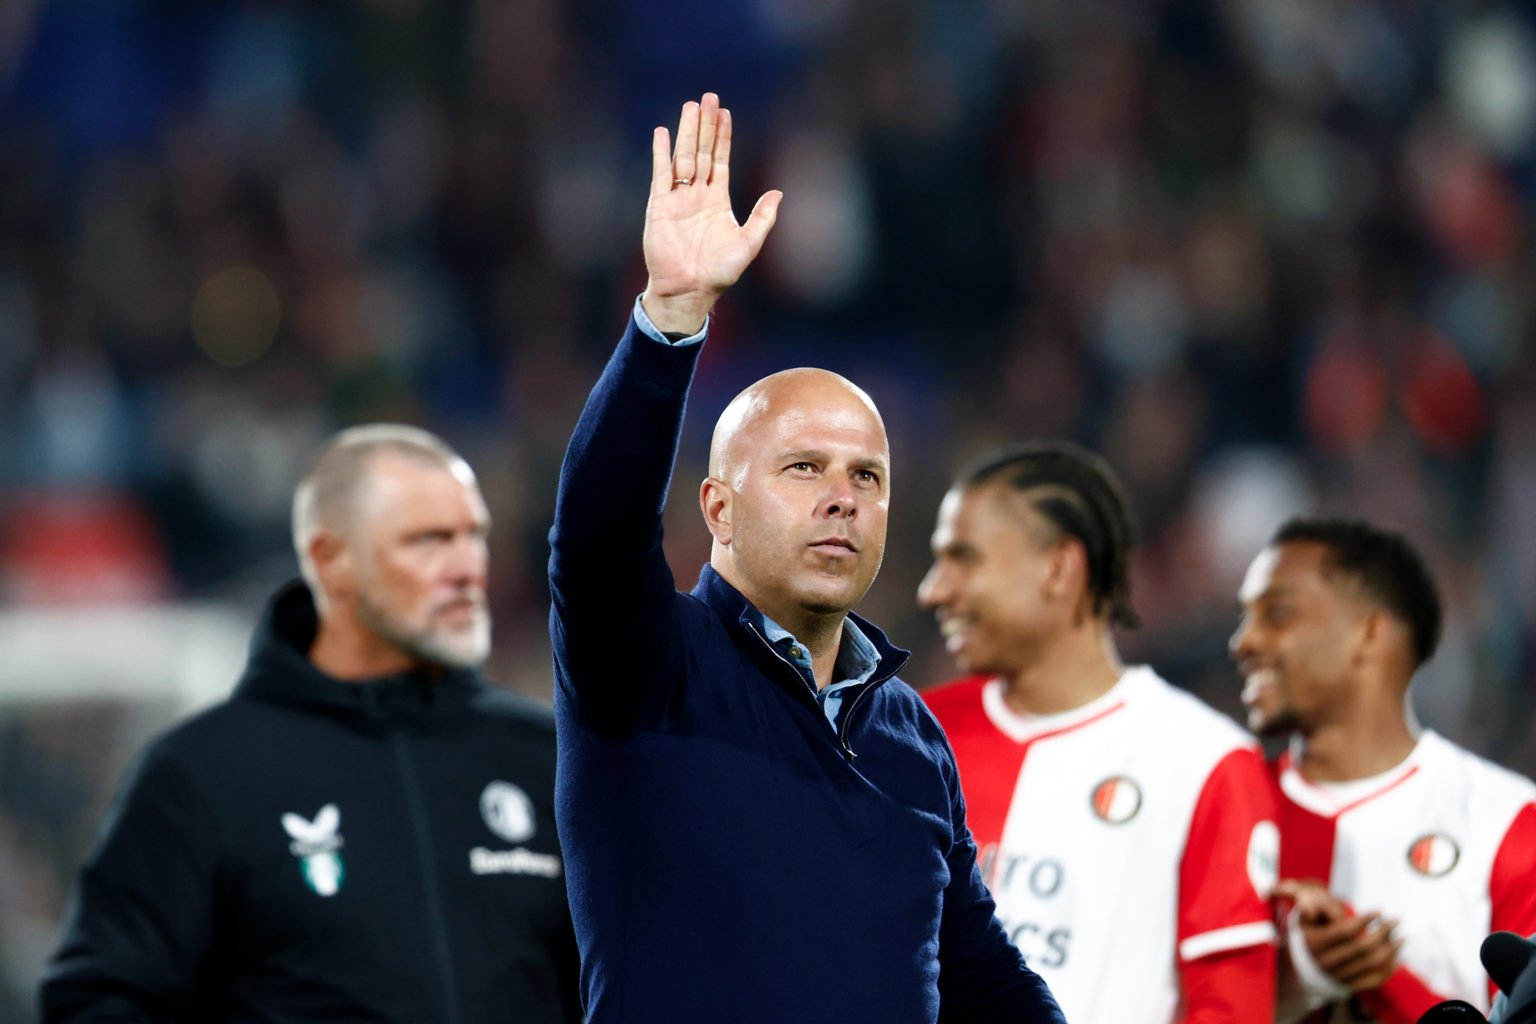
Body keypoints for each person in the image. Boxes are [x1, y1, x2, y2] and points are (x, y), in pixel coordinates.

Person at [548, 92, 1065, 1023]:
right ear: (718, 509)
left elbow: (981, 979)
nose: (843, 495)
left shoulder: (910, 736)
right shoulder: (648, 668)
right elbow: (594, 536)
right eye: (802, 468)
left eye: (867, 476)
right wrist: (669, 322)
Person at [41, 425, 581, 1024]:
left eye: (474, 535)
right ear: (331, 561)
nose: (466, 568)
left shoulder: (546, 759)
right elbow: (97, 1002)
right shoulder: (201, 776)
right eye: (428, 540)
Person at [916, 440, 1279, 1023]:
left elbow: (1232, 1008)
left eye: (965, 558)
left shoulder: (1204, 763)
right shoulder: (912, 735)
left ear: (1059, 568)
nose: (933, 589)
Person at [1231, 516, 1536, 1023]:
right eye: (1245, 618)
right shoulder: (1217, 808)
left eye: (1277, 615)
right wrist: (1294, 977)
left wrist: (1379, 976)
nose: (1244, 641)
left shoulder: (1507, 820)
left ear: (1370, 633)